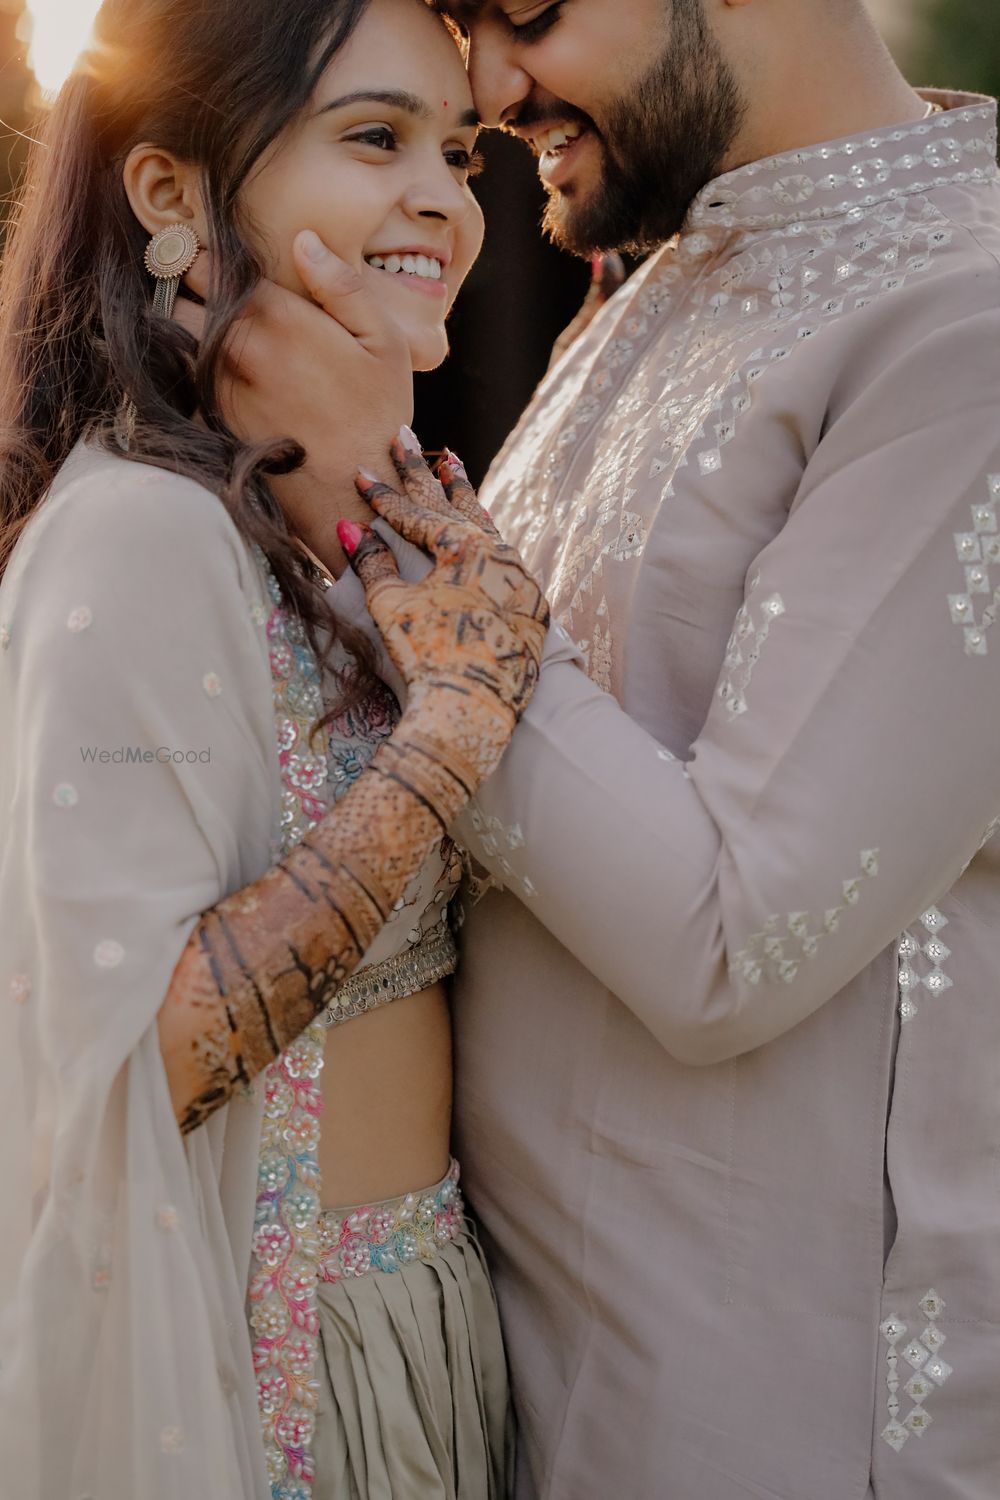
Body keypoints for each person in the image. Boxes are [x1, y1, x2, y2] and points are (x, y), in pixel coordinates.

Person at [234, 0, 1000, 1495]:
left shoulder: (962, 332)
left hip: (760, 1421)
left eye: (526, 9)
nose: (488, 82)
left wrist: (369, 518)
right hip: (492, 1384)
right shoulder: (668, 267)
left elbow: (735, 943)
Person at [0, 1, 553, 1496]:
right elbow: (135, 1063)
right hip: (274, 1384)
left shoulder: (303, 533)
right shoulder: (140, 534)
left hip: (424, 1337)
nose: (446, 200)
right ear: (170, 192)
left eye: (458, 152)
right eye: (375, 138)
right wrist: (445, 743)